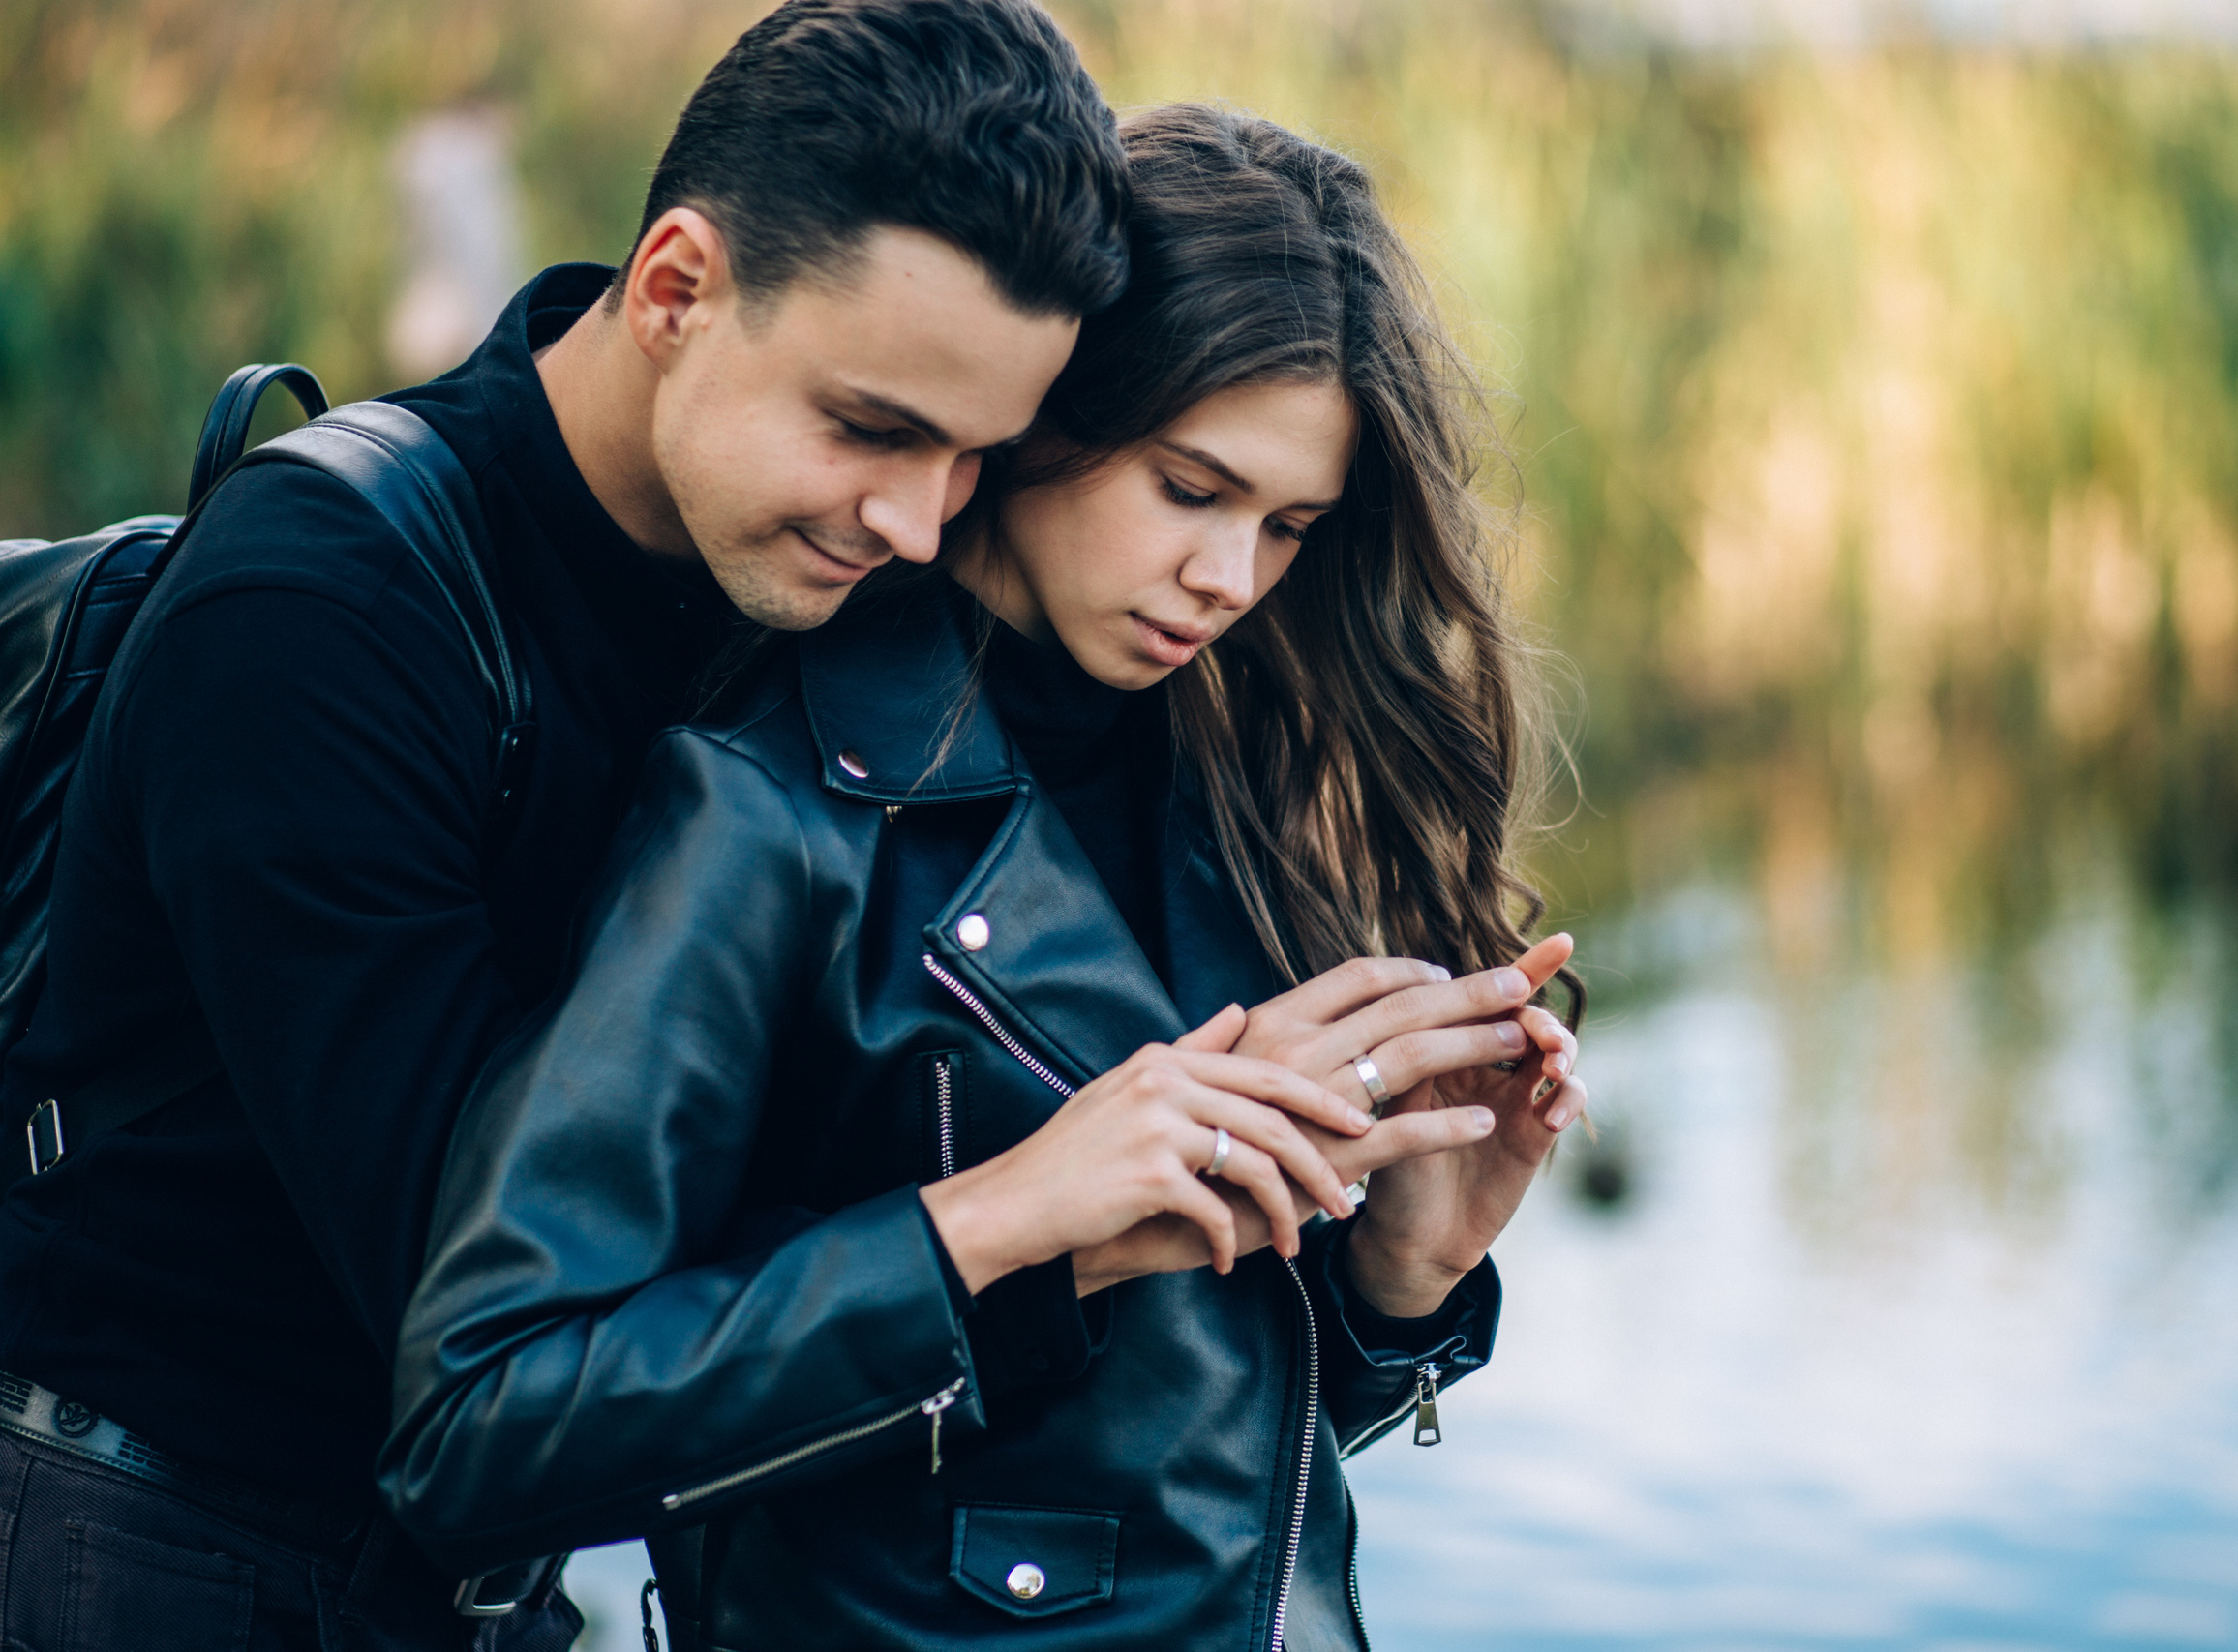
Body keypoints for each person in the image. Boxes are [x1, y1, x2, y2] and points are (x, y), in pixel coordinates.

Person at [380, 105, 1589, 1650]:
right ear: (1046, 413)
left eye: (1288, 526)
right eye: (1189, 488)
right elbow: (485, 1423)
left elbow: (1183, 1482)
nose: (1229, 579)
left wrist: (1403, 1280)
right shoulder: (769, 811)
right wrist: (1006, 1218)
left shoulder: (1247, 798)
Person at [0, 4, 1134, 1647]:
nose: (915, 519)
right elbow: (490, 1320)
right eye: (874, 426)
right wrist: (1007, 1227)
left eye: (975, 457)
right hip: (145, 1548)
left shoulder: (789, 595)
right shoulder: (315, 616)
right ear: (674, 289)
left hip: (474, 1581)